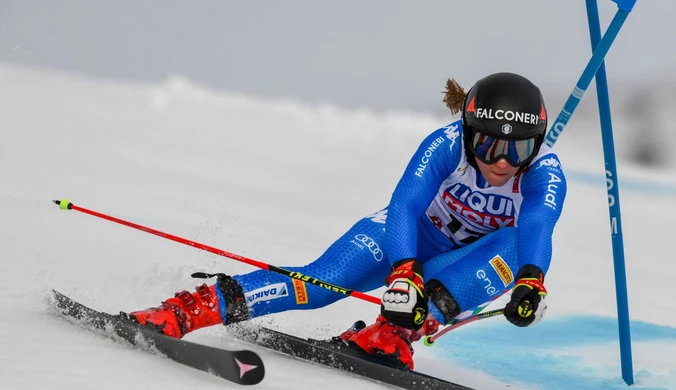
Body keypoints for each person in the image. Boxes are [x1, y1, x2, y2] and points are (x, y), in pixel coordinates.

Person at [126, 72, 567, 370]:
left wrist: (532, 281)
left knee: (511, 247)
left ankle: (390, 333)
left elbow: (536, 228)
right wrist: (403, 271)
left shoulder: (546, 173)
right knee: (320, 285)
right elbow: (405, 206)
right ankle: (190, 308)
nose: (505, 162)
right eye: (490, 147)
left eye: (519, 150)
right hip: (408, 236)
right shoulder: (446, 145)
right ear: (469, 134)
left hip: (464, 261)